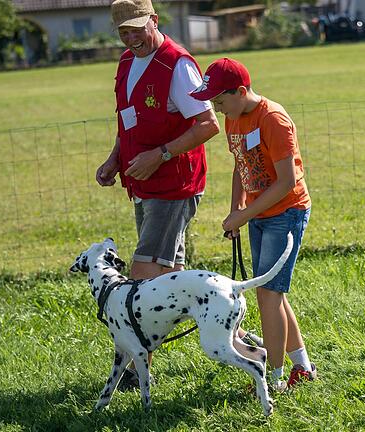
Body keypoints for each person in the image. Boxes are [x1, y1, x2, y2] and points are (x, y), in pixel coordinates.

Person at [95, 0, 220, 387]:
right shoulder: (125, 64)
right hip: (143, 183)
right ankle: (236, 338)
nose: (132, 38)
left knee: (143, 274)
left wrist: (161, 154)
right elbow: (127, 122)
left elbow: (208, 124)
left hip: (174, 185)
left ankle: (134, 369)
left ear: (155, 20)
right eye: (124, 32)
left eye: (137, 28)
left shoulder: (178, 65)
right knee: (170, 280)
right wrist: (115, 159)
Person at [189, 58, 316, 391]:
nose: (216, 109)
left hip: (286, 213)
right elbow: (241, 166)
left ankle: (272, 379)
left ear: (241, 91)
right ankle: (302, 368)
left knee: (267, 296)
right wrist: (237, 208)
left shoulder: (273, 119)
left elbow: (287, 181)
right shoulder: (235, 118)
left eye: (219, 101)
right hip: (259, 213)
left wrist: (243, 215)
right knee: (272, 294)